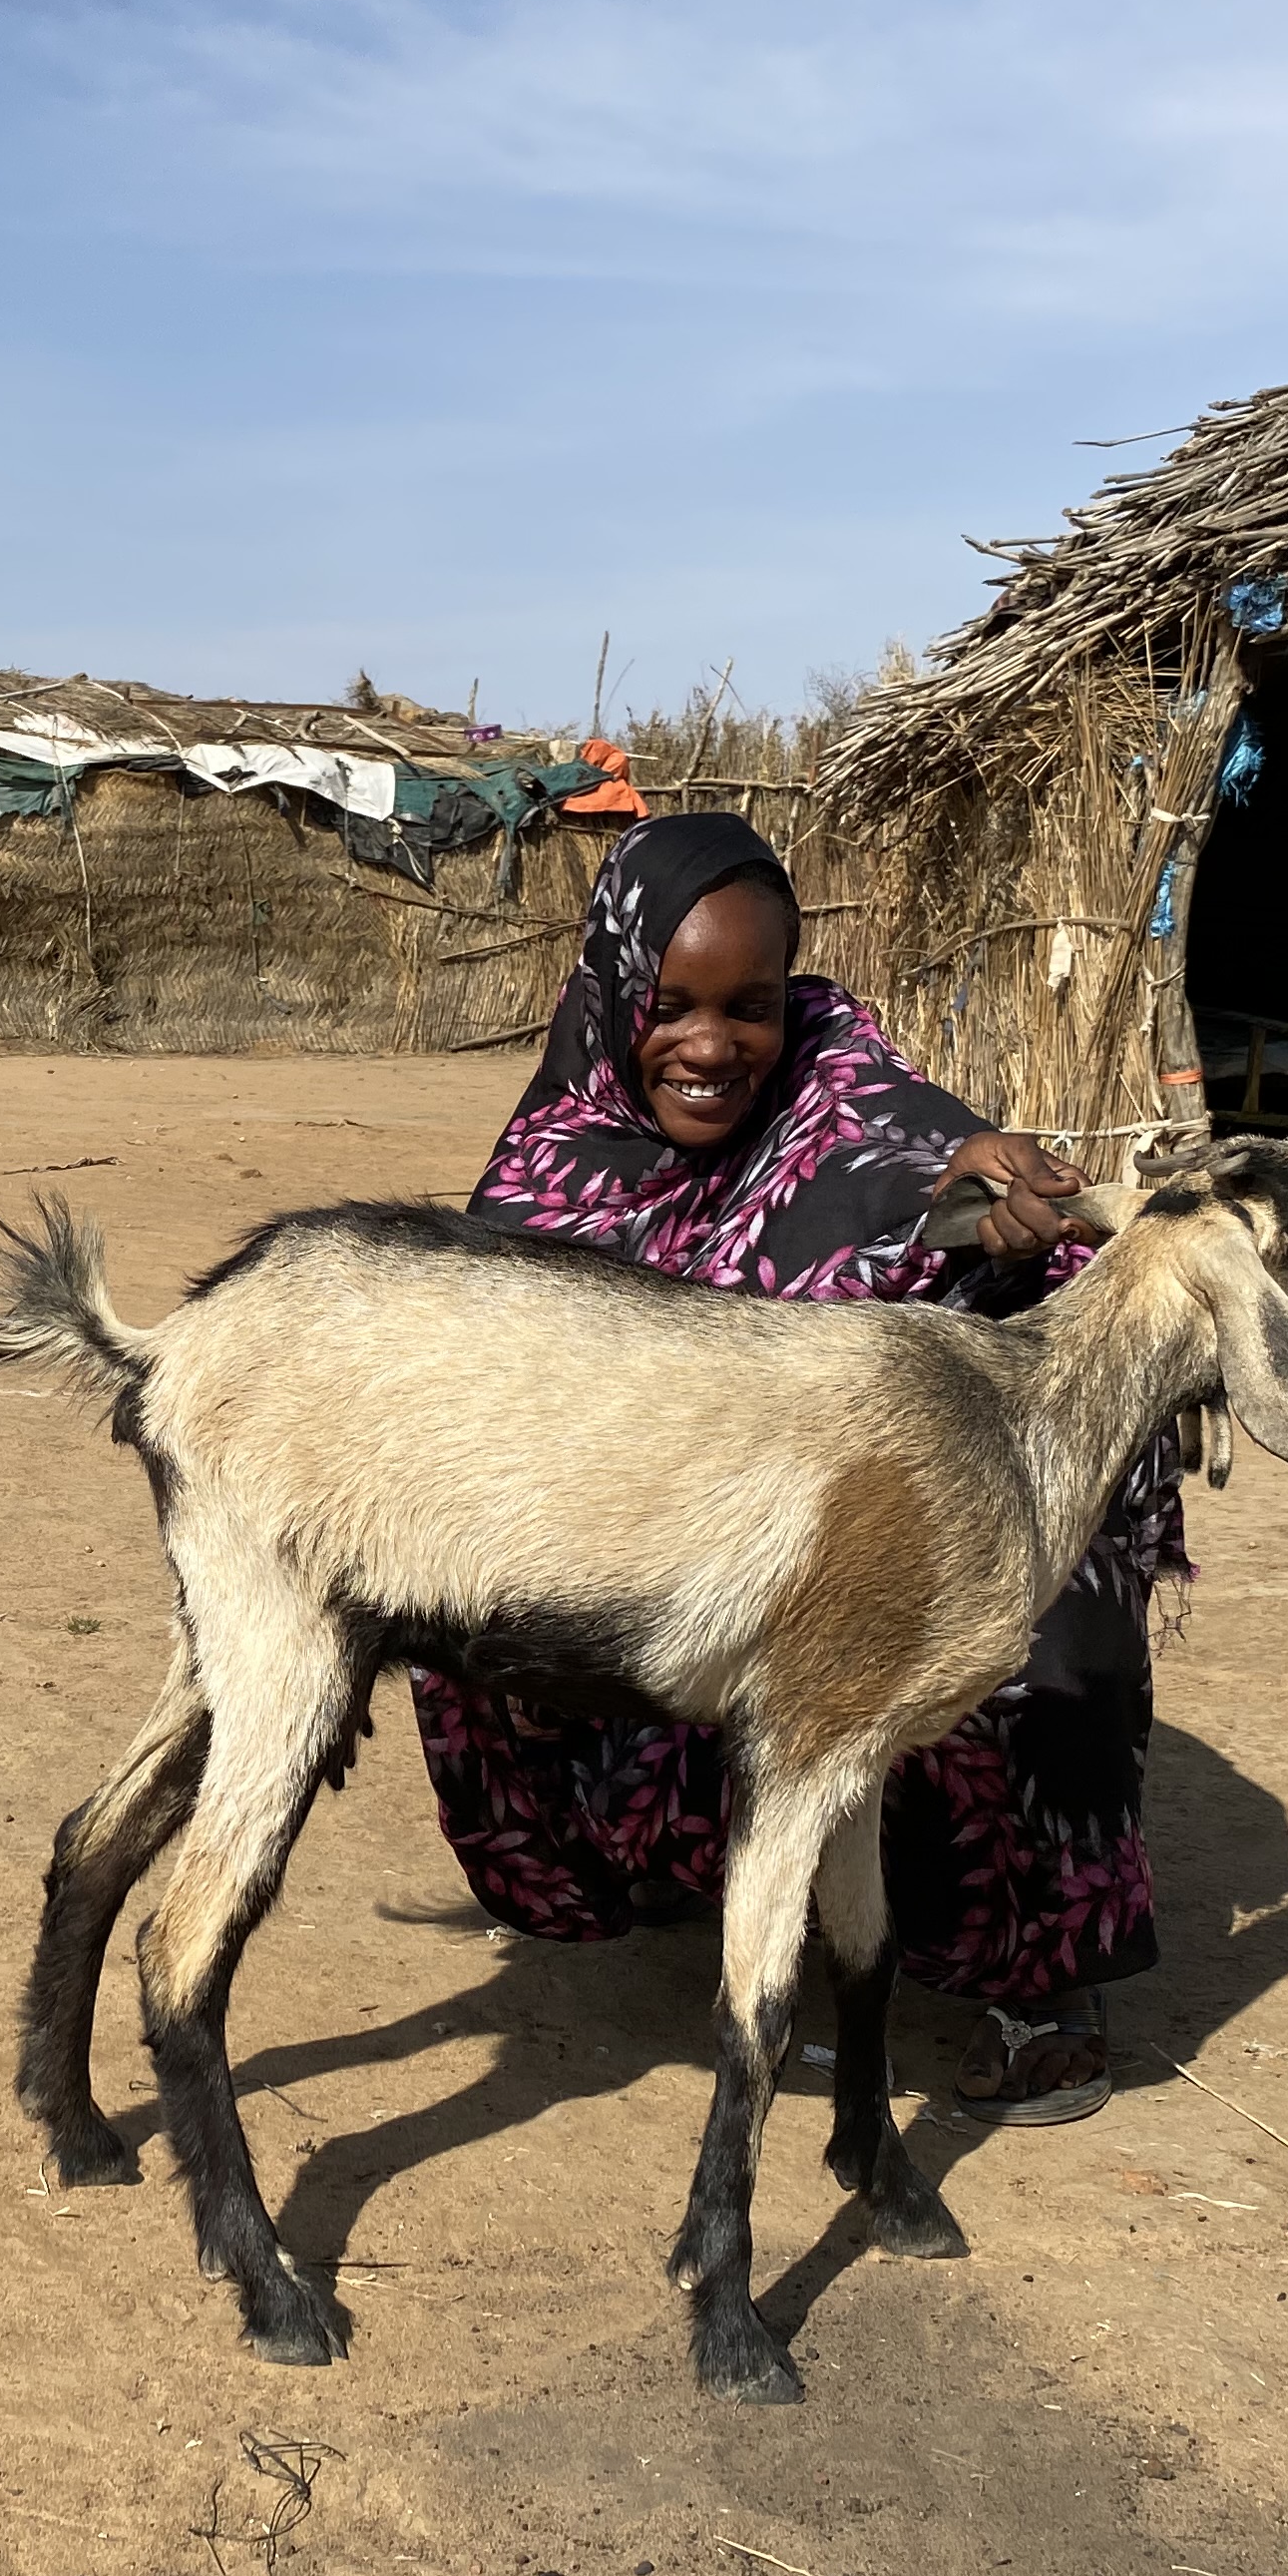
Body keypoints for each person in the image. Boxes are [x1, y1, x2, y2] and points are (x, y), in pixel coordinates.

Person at [408, 810, 1185, 2122]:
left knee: (1024, 1587)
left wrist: (971, 1177)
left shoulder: (834, 1085)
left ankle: (1037, 1968)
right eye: (674, 1005)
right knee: (459, 1582)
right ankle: (666, 1862)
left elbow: (904, 1134)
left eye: (751, 1009)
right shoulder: (546, 1177)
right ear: (612, 993)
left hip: (834, 1547)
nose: (714, 1045)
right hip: (676, 1558)